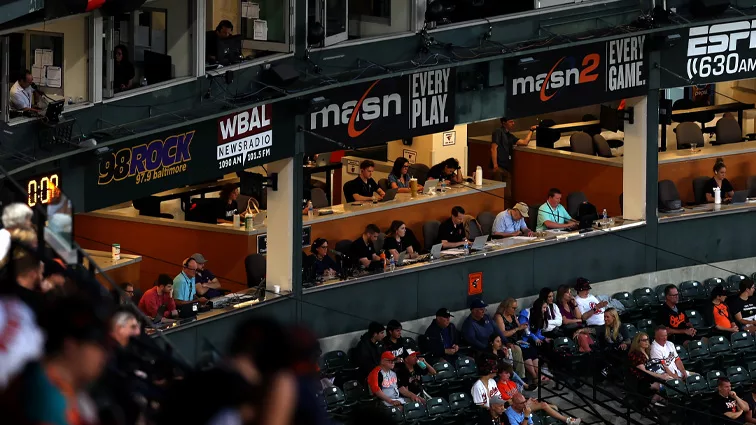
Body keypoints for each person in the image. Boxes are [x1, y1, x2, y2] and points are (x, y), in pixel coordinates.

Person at [19, 296, 109, 425]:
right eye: (99, 345)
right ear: (70, 345)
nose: (104, 355)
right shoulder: (46, 398)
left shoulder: (66, 390)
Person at [497, 362, 581, 425]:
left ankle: (564, 420)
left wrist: (528, 400)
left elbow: (520, 397)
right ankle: (568, 420)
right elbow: (510, 402)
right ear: (500, 374)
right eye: (506, 373)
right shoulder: (499, 386)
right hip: (515, 408)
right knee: (544, 405)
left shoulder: (512, 383)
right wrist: (526, 402)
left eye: (509, 373)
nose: (508, 375)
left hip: (522, 404)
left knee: (553, 406)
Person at [494, 298, 541, 384]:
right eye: (513, 308)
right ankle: (531, 376)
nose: (515, 310)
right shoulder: (499, 316)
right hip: (507, 341)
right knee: (523, 351)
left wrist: (523, 327)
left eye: (515, 308)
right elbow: (503, 333)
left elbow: (519, 327)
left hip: (518, 339)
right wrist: (517, 329)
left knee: (531, 349)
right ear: (506, 307)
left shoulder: (513, 315)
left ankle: (538, 373)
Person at [491, 117, 535, 205]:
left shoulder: (510, 136)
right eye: (510, 121)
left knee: (508, 195)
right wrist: (495, 166)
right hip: (499, 167)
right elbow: (493, 148)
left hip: (507, 168)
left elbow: (524, 142)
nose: (513, 123)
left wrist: (531, 130)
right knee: (498, 194)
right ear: (504, 123)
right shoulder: (498, 132)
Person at [627, 333, 669, 399]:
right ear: (638, 342)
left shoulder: (647, 352)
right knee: (664, 386)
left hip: (649, 378)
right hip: (641, 381)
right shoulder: (636, 354)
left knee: (669, 381)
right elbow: (643, 371)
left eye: (647, 339)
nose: (647, 342)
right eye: (644, 340)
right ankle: (651, 404)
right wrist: (661, 376)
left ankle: (654, 404)